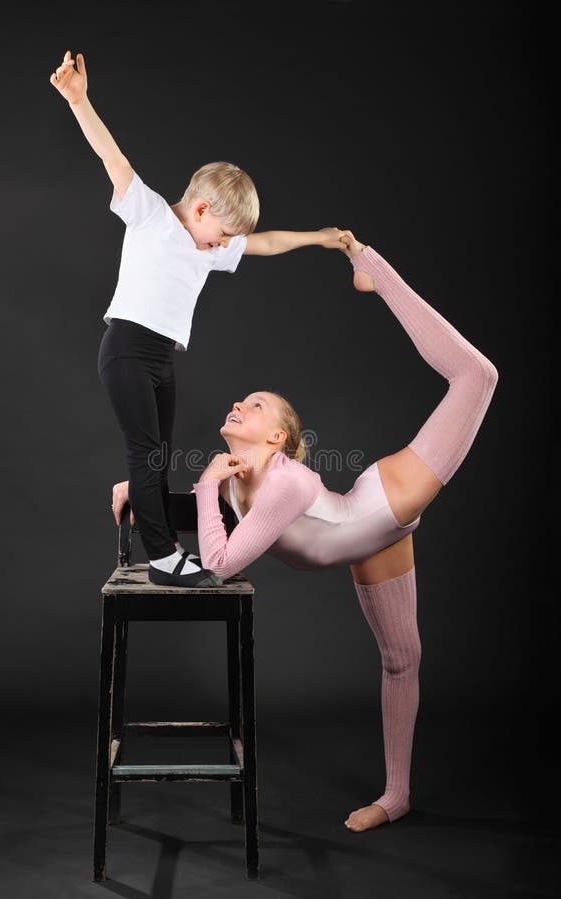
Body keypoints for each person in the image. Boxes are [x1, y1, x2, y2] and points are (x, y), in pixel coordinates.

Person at [111, 230, 498, 832]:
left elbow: (218, 563)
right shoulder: (241, 480)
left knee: (477, 377)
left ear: (278, 440)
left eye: (257, 404)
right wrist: (144, 498)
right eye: (244, 398)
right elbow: (200, 516)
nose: (241, 403)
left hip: (384, 502)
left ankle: (373, 269)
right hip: (367, 541)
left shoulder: (283, 484)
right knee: (402, 659)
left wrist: (205, 487)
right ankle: (397, 798)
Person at [49, 49, 347, 588]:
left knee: (157, 459)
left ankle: (158, 537)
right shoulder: (151, 216)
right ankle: (164, 559)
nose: (226, 246)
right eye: (223, 234)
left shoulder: (207, 250)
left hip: (160, 357)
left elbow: (266, 243)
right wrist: (79, 100)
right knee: (144, 452)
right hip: (125, 349)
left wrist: (319, 238)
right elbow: (111, 157)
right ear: (203, 210)